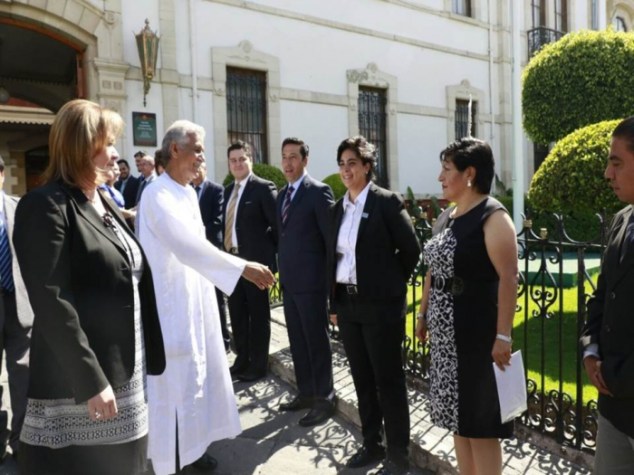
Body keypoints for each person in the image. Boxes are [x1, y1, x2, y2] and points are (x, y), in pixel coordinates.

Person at [12, 98, 166, 475]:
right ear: (82, 147)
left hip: (126, 371)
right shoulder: (45, 205)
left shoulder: (102, 201)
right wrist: (90, 379)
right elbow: (51, 300)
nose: (115, 153)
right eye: (107, 143)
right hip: (83, 384)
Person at [137, 120, 275, 475]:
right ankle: (172, 458)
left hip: (195, 303)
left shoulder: (185, 192)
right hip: (170, 309)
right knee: (174, 386)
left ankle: (195, 449)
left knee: (196, 379)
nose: (202, 157)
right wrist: (242, 267)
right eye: (197, 149)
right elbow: (187, 247)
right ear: (175, 150)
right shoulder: (157, 194)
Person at [414, 137, 518, 475]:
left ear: (469, 174)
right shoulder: (448, 216)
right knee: (457, 420)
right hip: (446, 339)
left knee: (480, 424)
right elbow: (433, 270)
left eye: (447, 170)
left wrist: (503, 335)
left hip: (476, 336)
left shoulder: (493, 217)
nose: (440, 177)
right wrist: (423, 313)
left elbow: (508, 278)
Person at [329, 136, 420, 475]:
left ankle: (398, 456)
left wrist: (391, 286)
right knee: (362, 381)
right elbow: (333, 260)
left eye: (352, 163)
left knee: (388, 382)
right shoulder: (337, 209)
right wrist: (334, 304)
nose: (346, 170)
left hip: (380, 308)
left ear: (367, 167)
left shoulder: (385, 202)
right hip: (348, 306)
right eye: (342, 164)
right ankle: (372, 444)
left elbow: (411, 250)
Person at [581, 116, 634, 474]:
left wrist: (615, 375)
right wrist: (590, 349)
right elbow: (602, 296)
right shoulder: (621, 220)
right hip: (613, 410)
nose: (606, 173)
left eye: (617, 163)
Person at [277, 137, 336, 427]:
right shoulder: (282, 195)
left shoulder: (318, 192)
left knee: (316, 341)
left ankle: (325, 397)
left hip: (312, 284)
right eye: (284, 157)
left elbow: (330, 242)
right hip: (289, 282)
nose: (288, 163)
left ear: (304, 160)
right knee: (298, 342)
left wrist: (330, 288)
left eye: (293, 157)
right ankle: (307, 392)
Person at [224, 141, 278, 381]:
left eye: (241, 159)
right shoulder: (227, 191)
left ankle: (258, 365)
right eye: (233, 160)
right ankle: (242, 359)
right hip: (231, 263)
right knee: (237, 314)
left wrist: (267, 261)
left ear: (250, 160)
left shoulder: (263, 188)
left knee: (258, 316)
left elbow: (277, 228)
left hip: (255, 266)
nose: (237, 164)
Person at [0, 154, 33, 463]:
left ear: (1, 174)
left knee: (22, 375)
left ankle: (22, 441)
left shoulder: (18, 208)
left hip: (18, 304)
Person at [192, 159, 231, 351]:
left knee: (216, 297)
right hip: (193, 254)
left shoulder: (216, 190)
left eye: (199, 168)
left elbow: (217, 221)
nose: (196, 171)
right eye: (194, 168)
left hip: (210, 250)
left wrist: (195, 236)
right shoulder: (188, 190)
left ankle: (224, 341)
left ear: (206, 169)